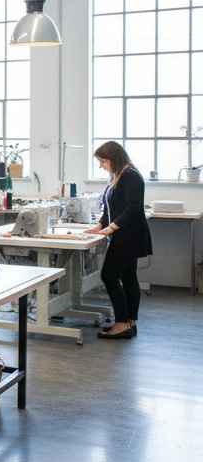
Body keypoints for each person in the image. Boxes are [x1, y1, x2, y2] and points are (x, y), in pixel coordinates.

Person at [86, 141, 152, 339]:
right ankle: (129, 322)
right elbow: (110, 207)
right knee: (128, 277)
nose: (101, 166)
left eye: (103, 161)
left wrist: (110, 228)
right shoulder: (118, 176)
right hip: (125, 235)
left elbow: (132, 209)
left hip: (130, 237)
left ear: (113, 158)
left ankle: (121, 323)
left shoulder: (130, 176)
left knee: (110, 275)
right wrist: (99, 225)